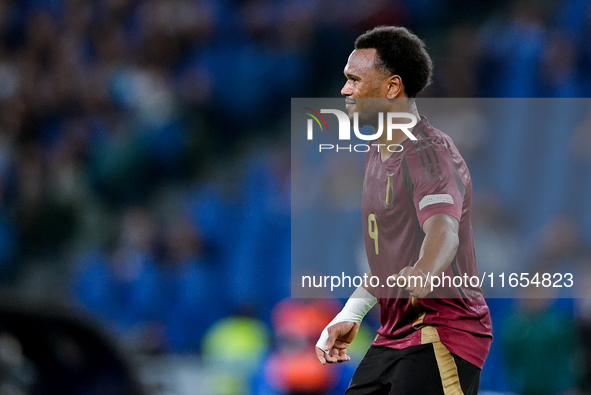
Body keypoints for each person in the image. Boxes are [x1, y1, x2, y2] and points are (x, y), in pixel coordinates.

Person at [314, 26, 493, 395]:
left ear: (392, 87)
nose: (345, 90)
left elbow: (444, 231)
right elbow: (389, 261)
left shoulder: (428, 151)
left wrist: (426, 270)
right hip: (393, 336)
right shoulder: (376, 153)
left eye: (354, 80)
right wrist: (351, 313)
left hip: (442, 332)